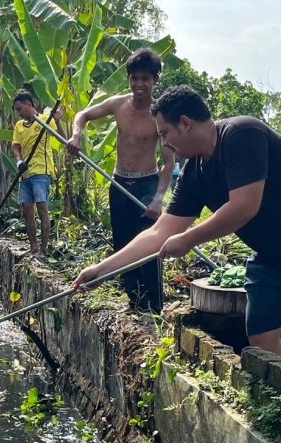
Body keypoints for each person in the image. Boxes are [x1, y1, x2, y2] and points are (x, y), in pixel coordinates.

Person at [72, 85, 281, 398]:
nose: (164, 143)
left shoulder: (241, 134)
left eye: (165, 133)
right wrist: (101, 270)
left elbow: (244, 206)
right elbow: (159, 232)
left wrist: (188, 238)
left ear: (185, 123)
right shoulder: (194, 174)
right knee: (262, 335)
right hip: (275, 255)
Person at [67, 48, 174, 314]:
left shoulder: (159, 115)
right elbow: (82, 115)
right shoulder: (118, 104)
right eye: (134, 78)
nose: (139, 84)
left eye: (145, 79)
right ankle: (134, 302)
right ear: (128, 78)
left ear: (155, 80)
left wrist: (157, 199)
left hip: (147, 185)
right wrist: (76, 135)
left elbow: (168, 162)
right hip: (119, 183)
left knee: (148, 246)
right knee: (123, 244)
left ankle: (154, 306)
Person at [11, 89, 65, 257]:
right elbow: (16, 147)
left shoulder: (44, 120)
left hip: (41, 172)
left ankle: (43, 249)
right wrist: (19, 161)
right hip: (25, 173)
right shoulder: (19, 126)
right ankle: (33, 246)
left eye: (20, 109)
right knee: (27, 210)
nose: (19, 113)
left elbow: (62, 138)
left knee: (42, 208)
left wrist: (57, 120)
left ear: (29, 104)